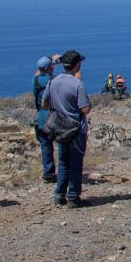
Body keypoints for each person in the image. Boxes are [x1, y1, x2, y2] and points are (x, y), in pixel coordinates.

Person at [42, 49, 91, 208]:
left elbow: (45, 104)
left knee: (63, 162)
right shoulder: (78, 84)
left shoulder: (52, 81)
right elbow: (85, 109)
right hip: (75, 129)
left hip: (59, 128)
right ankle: (73, 197)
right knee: (76, 163)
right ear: (77, 65)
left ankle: (59, 195)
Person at [33, 56, 57, 183]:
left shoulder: (35, 80)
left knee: (45, 146)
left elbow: (37, 73)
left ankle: (48, 173)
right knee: (63, 144)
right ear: (49, 68)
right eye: (52, 65)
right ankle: (65, 171)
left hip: (40, 118)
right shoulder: (53, 80)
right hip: (53, 118)